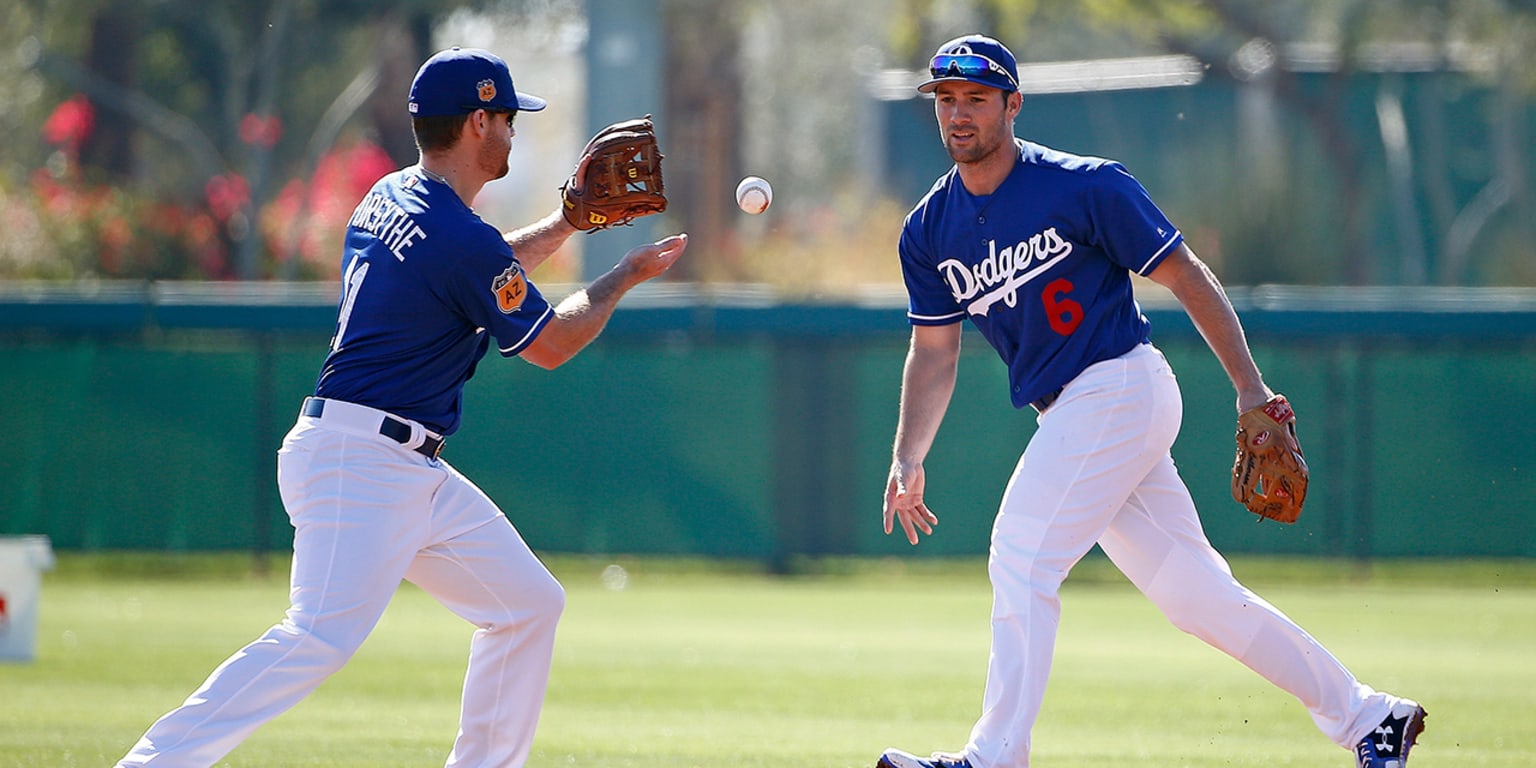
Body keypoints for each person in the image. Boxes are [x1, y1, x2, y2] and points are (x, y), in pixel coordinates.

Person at [116, 47, 687, 767]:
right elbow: (550, 343)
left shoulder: (390, 197)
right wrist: (627, 273)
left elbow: (481, 268)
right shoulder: (459, 238)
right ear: (479, 121)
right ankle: (153, 763)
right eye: (508, 117)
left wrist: (568, 222)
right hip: (364, 465)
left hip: (391, 461)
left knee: (526, 606)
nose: (514, 131)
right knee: (316, 636)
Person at [875, 34, 1424, 768]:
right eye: (945, 99)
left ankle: (995, 756)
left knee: (1020, 555)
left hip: (1119, 386)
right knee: (1196, 597)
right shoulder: (927, 229)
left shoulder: (1085, 186)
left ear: (1013, 103)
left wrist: (1250, 388)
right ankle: (1369, 718)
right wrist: (909, 453)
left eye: (976, 98)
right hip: (1074, 413)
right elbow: (935, 351)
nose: (959, 114)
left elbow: (1187, 275)